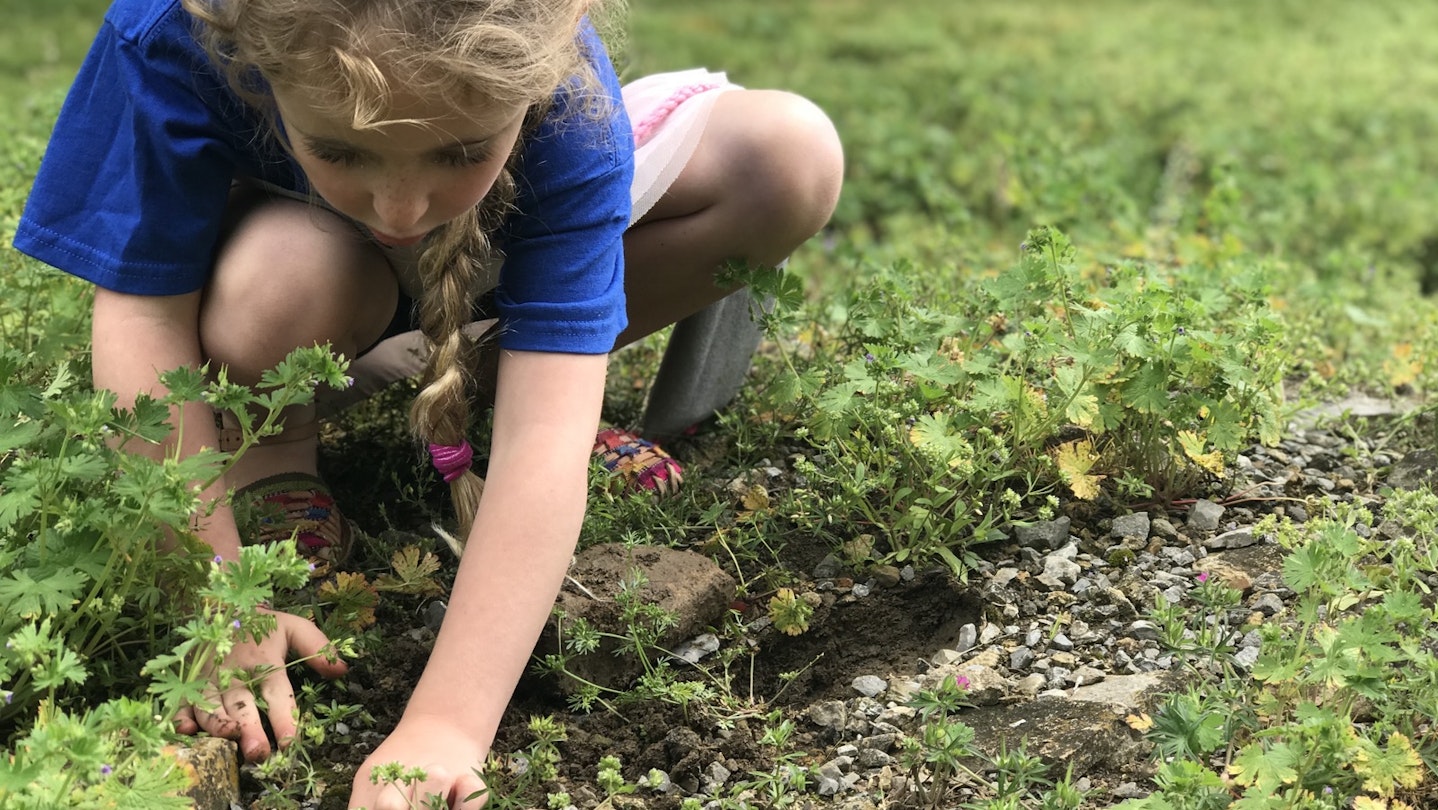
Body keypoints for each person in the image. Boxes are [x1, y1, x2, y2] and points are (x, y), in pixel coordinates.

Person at [14, 0, 842, 806]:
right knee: (281, 282)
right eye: (338, 148)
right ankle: (273, 445)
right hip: (305, 268)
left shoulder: (567, 98)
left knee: (787, 153)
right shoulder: (177, 28)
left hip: (488, 252)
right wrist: (217, 607)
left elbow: (544, 440)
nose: (402, 210)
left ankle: (488, 382)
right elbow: (144, 320)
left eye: (461, 152)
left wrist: (447, 724)